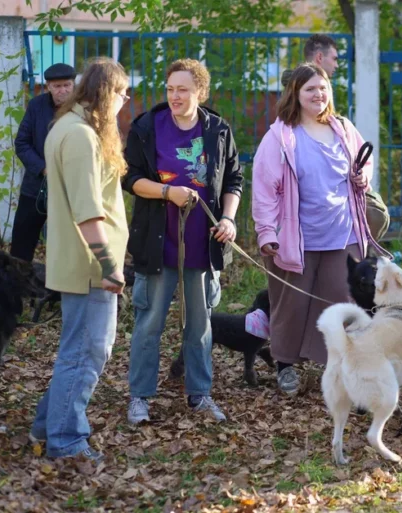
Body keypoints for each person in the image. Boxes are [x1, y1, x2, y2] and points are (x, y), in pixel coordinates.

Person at [123, 58, 243, 425]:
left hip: (203, 247)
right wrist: (167, 192)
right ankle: (140, 397)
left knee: (200, 325)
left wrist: (228, 218)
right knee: (149, 324)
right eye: (170, 89)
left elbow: (234, 180)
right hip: (158, 245)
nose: (175, 96)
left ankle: (199, 394)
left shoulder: (218, 130)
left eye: (183, 90)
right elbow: (130, 180)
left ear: (200, 93)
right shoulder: (147, 126)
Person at [253, 63, 376, 395]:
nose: (318, 95)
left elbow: (364, 165)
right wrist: (267, 233)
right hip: (295, 239)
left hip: (342, 235)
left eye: (323, 88)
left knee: (343, 302)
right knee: (291, 305)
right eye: (310, 89)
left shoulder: (344, 129)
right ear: (295, 93)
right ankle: (285, 366)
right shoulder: (280, 136)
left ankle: (342, 369)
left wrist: (363, 178)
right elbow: (264, 190)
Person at [29, 58, 129, 461]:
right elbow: (87, 211)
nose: (126, 100)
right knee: (88, 351)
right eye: (123, 93)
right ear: (107, 93)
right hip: (90, 267)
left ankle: (46, 424)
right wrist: (111, 266)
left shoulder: (71, 127)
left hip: (85, 263)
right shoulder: (80, 136)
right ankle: (66, 440)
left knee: (83, 348)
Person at [281, 34, 390, 242]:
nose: (337, 64)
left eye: (322, 90)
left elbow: (361, 154)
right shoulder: (290, 101)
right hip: (305, 217)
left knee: (375, 214)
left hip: (336, 214)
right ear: (320, 57)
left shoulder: (339, 124)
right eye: (335, 58)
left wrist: (362, 176)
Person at [11, 63, 76, 262]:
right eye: (57, 86)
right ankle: (16, 289)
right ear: (48, 86)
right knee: (20, 247)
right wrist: (44, 169)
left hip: (70, 189)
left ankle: (59, 292)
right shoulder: (36, 106)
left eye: (67, 85)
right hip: (36, 187)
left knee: (67, 249)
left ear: (74, 84)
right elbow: (22, 143)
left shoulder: (84, 108)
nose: (62, 91)